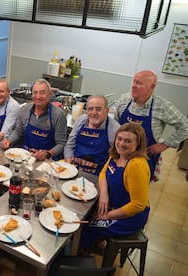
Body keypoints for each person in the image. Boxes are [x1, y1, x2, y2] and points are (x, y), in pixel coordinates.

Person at [78, 123, 150, 255]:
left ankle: (81, 253)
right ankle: (97, 244)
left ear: (138, 144)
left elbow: (138, 205)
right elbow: (103, 174)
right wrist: (104, 194)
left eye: (128, 141)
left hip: (128, 218)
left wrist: (106, 215)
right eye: (119, 138)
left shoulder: (136, 165)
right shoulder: (117, 154)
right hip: (112, 205)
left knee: (85, 224)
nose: (121, 144)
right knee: (84, 213)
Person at [115, 70, 188, 181]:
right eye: (134, 82)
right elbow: (115, 124)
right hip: (119, 155)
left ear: (152, 86)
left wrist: (164, 145)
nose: (134, 86)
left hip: (144, 158)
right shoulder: (124, 99)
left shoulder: (162, 106)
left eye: (139, 83)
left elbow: (185, 126)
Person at [2, 79, 67, 161]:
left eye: (42, 92)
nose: (38, 96)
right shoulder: (25, 109)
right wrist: (9, 141)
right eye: (35, 92)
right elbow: (18, 132)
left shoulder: (58, 115)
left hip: (47, 160)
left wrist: (48, 153)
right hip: (26, 156)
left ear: (49, 94)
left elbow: (61, 144)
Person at [64, 95, 120, 175]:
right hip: (75, 168)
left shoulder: (115, 129)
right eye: (90, 109)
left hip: (99, 173)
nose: (94, 113)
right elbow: (69, 146)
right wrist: (69, 168)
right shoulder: (80, 121)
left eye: (98, 109)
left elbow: (117, 157)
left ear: (106, 111)